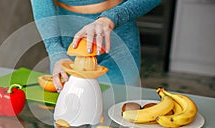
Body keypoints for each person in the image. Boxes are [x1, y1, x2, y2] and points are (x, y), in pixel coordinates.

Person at [30, 0, 161, 92]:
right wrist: (55, 51)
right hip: (70, 42)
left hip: (119, 37)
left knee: (118, 109)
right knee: (71, 114)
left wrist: (111, 18)